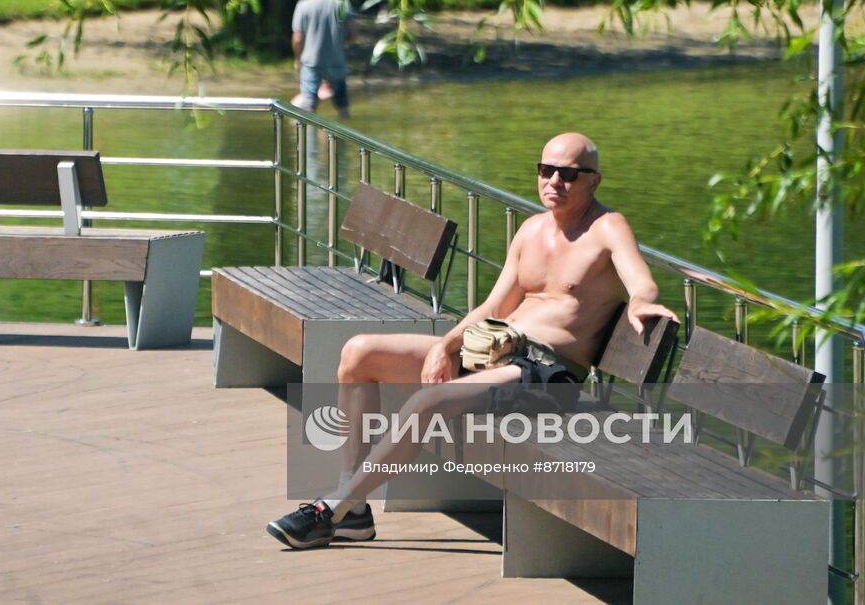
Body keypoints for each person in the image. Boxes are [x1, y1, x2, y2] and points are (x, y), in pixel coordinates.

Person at [266, 132, 680, 549]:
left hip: (544, 375)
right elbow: (493, 305)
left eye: (569, 173)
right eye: (546, 170)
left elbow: (642, 282)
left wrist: (643, 303)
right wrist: (442, 347)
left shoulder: (608, 227)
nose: (554, 180)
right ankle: (353, 511)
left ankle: (331, 508)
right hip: (493, 350)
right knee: (358, 353)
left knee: (426, 402)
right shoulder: (531, 229)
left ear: (594, 181)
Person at [290, 0, 351, 118]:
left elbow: (297, 38)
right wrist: (337, 43)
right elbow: (354, 32)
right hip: (336, 61)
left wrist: (297, 59)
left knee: (309, 107)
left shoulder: (303, 5)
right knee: (343, 108)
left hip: (311, 63)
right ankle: (345, 136)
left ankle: (310, 139)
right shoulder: (342, 2)